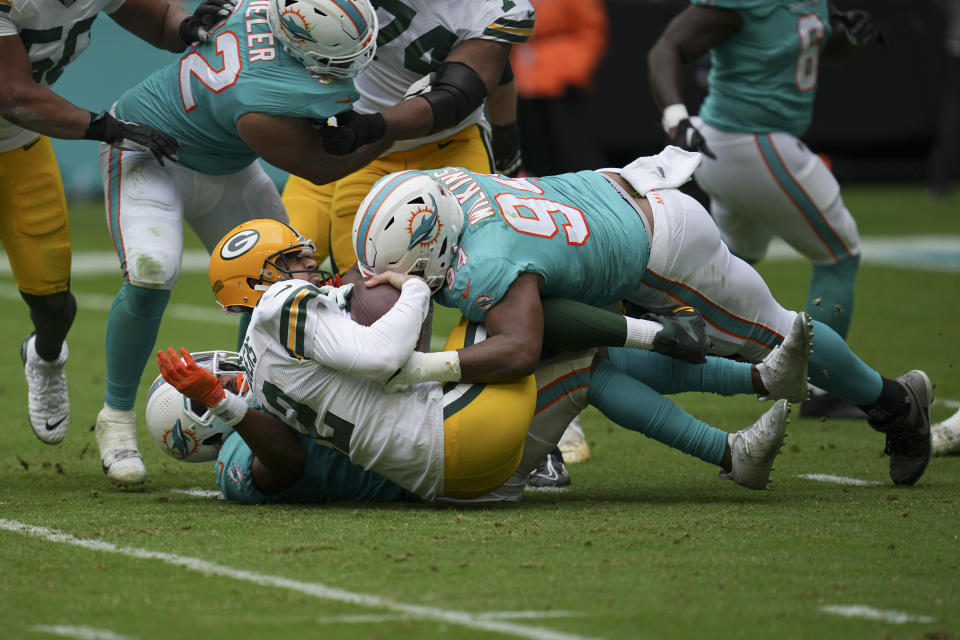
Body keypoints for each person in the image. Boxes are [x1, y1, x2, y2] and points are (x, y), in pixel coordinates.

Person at [353, 147, 935, 486]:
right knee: (592, 366)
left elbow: (520, 349)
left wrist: (426, 367)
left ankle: (892, 403)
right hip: (615, 202)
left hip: (664, 249)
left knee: (776, 335)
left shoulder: (487, 266)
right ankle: (733, 450)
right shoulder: (445, 187)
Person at [151, 218, 810, 503]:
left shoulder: (266, 389)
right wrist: (413, 282)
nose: (304, 265)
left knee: (575, 359)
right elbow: (381, 361)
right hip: (445, 450)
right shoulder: (249, 436)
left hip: (440, 460)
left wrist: (229, 398)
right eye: (291, 261)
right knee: (530, 327)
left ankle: (750, 391)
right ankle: (738, 420)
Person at [93, 0, 389, 488]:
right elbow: (320, 166)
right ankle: (116, 415)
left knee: (278, 279)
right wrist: (396, 127)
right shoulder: (260, 95)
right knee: (151, 273)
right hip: (148, 151)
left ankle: (257, 404)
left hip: (227, 165)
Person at [0, 0, 235, 446]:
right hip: (20, 125)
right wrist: (106, 127)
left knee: (53, 305)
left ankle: (45, 356)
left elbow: (161, 22)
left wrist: (190, 27)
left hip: (18, 150)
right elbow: (12, 94)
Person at [646, 1, 884, 418]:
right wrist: (674, 115)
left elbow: (812, 48)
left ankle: (644, 338)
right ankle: (821, 386)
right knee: (839, 255)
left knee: (726, 265)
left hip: (734, 145)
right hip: (751, 141)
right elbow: (665, 48)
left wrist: (848, 38)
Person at [280, 0, 536, 274]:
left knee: (489, 269)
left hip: (448, 143)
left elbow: (457, 94)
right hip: (362, 151)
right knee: (359, 279)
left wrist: (370, 126)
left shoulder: (491, 10)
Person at [510, 0, 609, 176]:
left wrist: (573, 69)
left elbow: (592, 27)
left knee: (571, 149)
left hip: (561, 82)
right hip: (521, 78)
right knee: (533, 151)